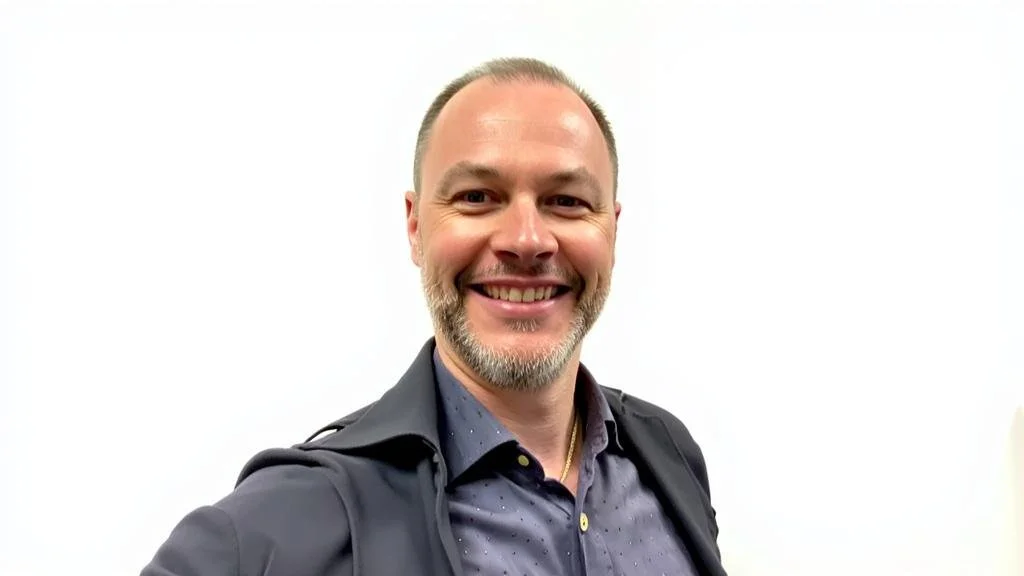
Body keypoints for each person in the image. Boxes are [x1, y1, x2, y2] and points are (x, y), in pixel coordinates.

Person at [141, 57, 727, 576]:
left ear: (612, 231)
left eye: (567, 202)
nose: (526, 240)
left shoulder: (668, 455)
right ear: (416, 226)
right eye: (477, 197)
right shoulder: (280, 526)